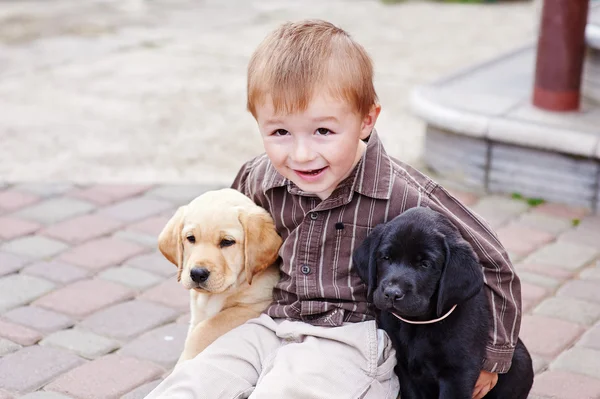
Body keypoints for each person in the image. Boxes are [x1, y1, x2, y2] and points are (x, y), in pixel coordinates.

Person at [145, 19, 521, 399]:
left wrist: (493, 356)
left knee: (286, 391)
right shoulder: (258, 178)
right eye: (280, 132)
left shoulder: (405, 193)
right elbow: (225, 233)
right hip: (270, 321)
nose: (302, 154)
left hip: (349, 338)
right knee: (194, 382)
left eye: (323, 131)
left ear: (366, 120)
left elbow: (494, 264)